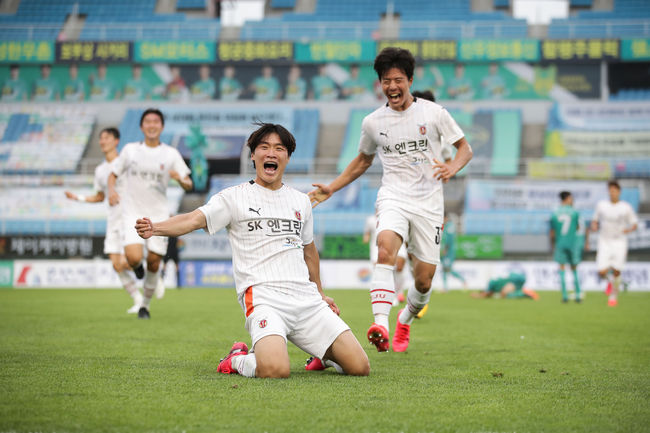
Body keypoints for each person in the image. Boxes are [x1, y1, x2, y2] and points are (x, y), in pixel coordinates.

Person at [134, 123, 370, 378]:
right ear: (253, 155)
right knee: (275, 370)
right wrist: (154, 228)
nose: (271, 153)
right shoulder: (233, 198)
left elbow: (309, 251)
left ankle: (322, 355)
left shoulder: (301, 201)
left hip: (306, 300)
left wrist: (321, 293)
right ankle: (236, 359)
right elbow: (193, 219)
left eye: (279, 148)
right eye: (264, 147)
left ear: (288, 157)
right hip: (264, 298)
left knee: (360, 367)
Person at [309, 47, 473, 353]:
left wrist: (452, 166)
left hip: (429, 203)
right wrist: (333, 187)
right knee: (384, 248)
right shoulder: (373, 122)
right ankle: (380, 325)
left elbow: (465, 148)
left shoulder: (434, 113)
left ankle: (405, 320)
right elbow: (362, 160)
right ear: (380, 83)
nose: (392, 86)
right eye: (386, 80)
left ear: (409, 80)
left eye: (398, 79)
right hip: (393, 196)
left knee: (423, 282)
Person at [108, 108, 193, 319]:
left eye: (156, 121)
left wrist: (181, 180)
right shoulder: (130, 150)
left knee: (154, 261)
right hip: (132, 213)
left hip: (159, 215)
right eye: (148, 121)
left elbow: (189, 184)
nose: (152, 125)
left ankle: (144, 305)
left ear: (162, 126)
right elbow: (113, 174)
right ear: (142, 126)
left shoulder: (171, 154)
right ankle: (137, 268)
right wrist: (111, 190)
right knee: (134, 257)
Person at [64, 128, 142, 313]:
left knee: (126, 261)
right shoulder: (100, 170)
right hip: (112, 219)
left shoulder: (126, 163)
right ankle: (138, 299)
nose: (102, 141)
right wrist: (78, 198)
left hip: (129, 216)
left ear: (116, 141)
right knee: (116, 265)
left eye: (106, 138)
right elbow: (100, 196)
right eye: (100, 138)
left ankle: (152, 271)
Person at [590, 180, 638, 307]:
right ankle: (611, 282)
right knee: (601, 271)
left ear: (619, 192)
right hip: (604, 241)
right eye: (610, 191)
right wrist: (594, 226)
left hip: (619, 242)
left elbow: (634, 223)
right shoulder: (602, 205)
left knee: (617, 270)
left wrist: (628, 230)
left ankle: (613, 297)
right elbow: (594, 220)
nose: (612, 193)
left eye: (615, 191)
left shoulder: (625, 207)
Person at [363, 213, 412, 306]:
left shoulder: (402, 215)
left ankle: (399, 292)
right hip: (378, 246)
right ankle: (385, 295)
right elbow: (367, 233)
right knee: (382, 269)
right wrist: (366, 238)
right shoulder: (371, 220)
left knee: (399, 268)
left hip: (400, 242)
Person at [549, 191, 582, 303]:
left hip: (560, 243)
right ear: (567, 198)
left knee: (561, 268)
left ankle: (564, 296)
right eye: (571, 198)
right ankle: (578, 295)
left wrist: (552, 244)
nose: (572, 200)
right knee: (574, 269)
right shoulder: (574, 212)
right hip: (572, 243)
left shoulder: (555, 213)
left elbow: (552, 231)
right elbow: (577, 228)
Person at [440, 214, 467, 293]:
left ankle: (463, 281)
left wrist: (446, 249)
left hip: (449, 252)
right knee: (445, 269)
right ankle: (445, 287)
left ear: (446, 218)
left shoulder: (450, 226)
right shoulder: (445, 226)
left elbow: (450, 239)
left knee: (447, 269)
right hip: (445, 251)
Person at [471, 272, 538, 300]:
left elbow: (486, 294)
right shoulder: (493, 287)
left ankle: (525, 293)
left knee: (504, 294)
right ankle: (525, 293)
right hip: (514, 278)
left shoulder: (490, 284)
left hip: (514, 279)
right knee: (505, 294)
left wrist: (477, 295)